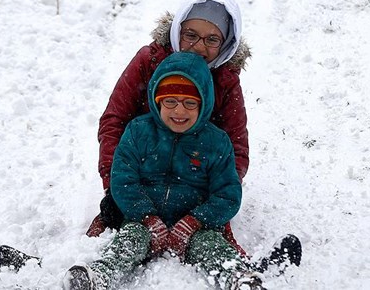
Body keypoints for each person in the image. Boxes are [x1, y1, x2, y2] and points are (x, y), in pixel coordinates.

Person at [64, 52, 262, 290]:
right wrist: (146, 217)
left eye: (190, 103)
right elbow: (123, 180)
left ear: (204, 103)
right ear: (157, 100)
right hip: (143, 222)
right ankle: (98, 275)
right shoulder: (138, 132)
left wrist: (195, 221)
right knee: (129, 240)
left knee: (211, 246)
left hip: (195, 227)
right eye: (170, 101)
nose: (179, 111)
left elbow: (228, 194)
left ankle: (238, 279)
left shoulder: (216, 142)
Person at [89, 0, 251, 255]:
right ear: (177, 31)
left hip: (195, 178)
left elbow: (236, 146)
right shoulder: (150, 61)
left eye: (212, 39)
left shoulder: (225, 78)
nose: (199, 47)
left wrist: (217, 198)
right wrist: (114, 184)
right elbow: (114, 120)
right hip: (145, 170)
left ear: (225, 44)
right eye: (191, 35)